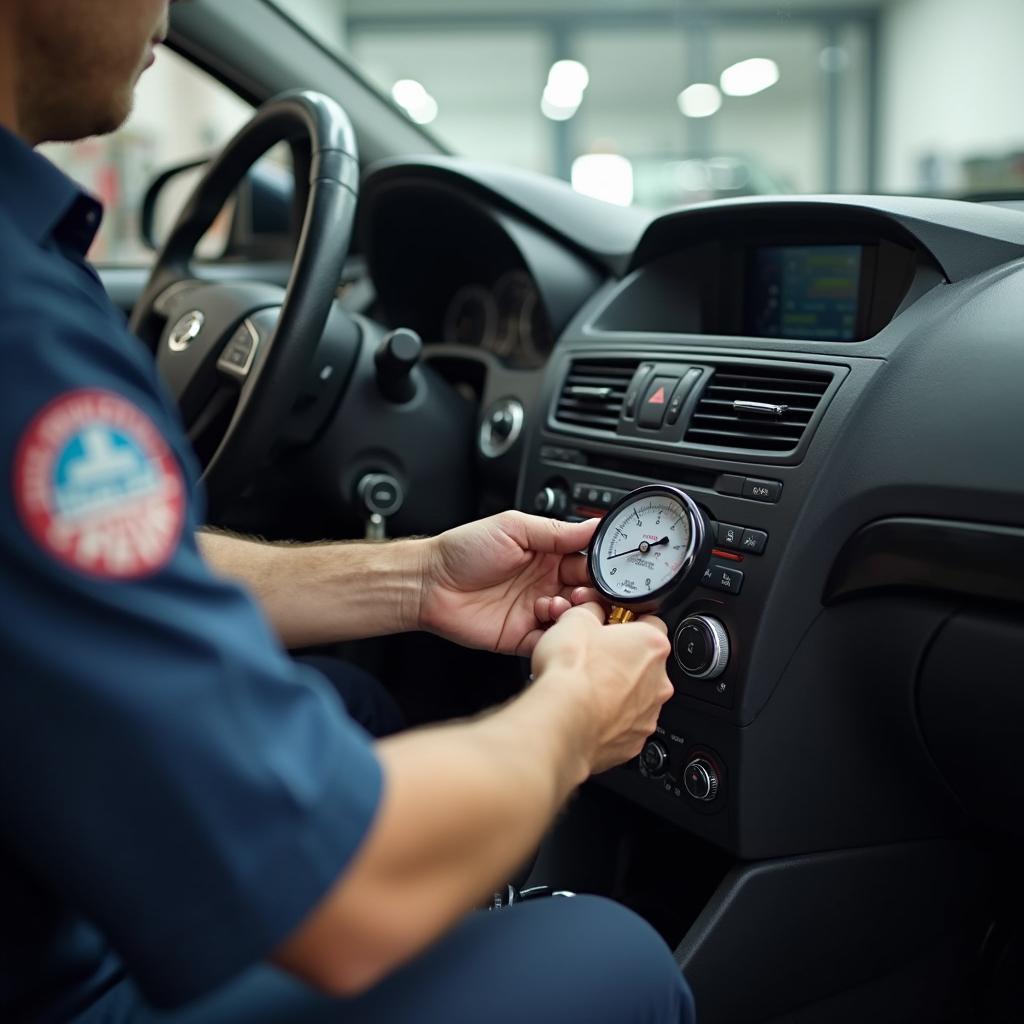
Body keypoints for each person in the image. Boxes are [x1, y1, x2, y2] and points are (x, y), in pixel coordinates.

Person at [0, 1, 696, 1022]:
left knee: (351, 703)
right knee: (612, 955)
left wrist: (409, 580)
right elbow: (341, 896)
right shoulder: (23, 338)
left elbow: (60, 574)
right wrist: (576, 718)